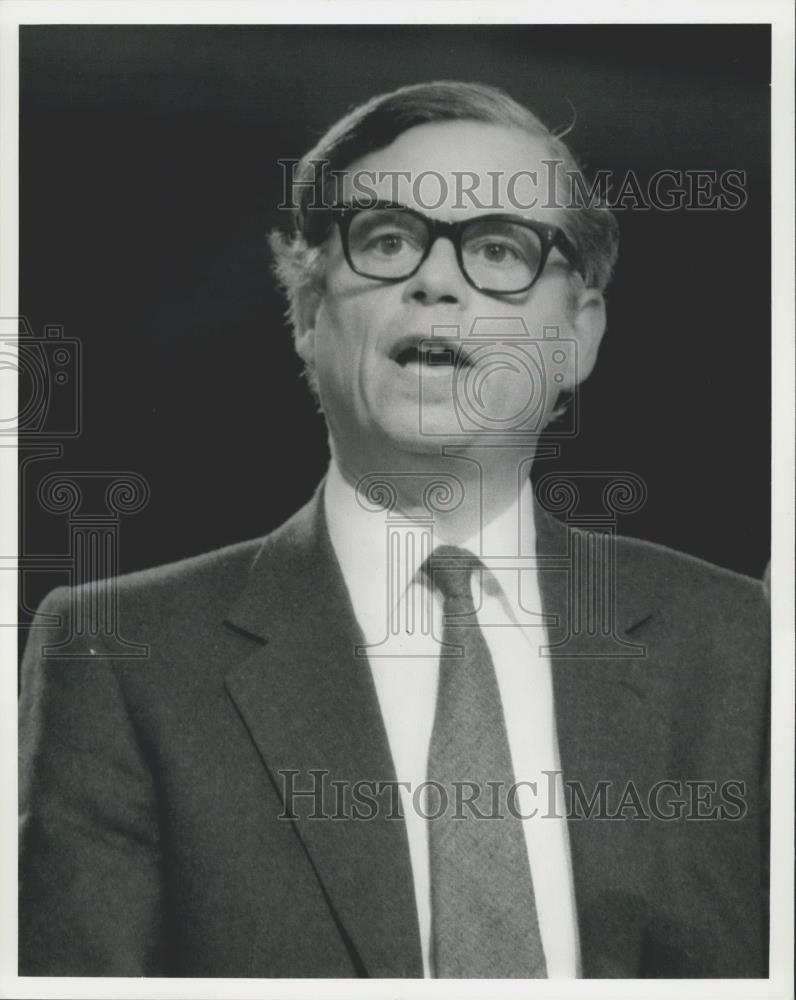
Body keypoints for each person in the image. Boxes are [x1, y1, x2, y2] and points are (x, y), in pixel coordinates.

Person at [18, 80, 769, 979]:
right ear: (305, 313)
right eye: (387, 241)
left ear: (577, 335)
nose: (435, 280)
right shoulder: (113, 655)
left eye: (499, 249)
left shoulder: (745, 645)